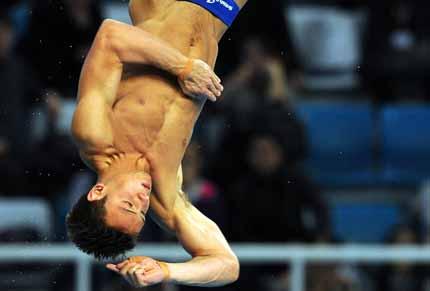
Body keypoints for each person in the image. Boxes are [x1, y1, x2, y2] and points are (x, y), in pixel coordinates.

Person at [66, 0, 247, 288]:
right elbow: (226, 264)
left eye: (128, 205)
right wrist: (167, 270)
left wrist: (183, 68)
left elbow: (111, 35)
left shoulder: (94, 134)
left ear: (97, 191)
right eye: (140, 213)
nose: (142, 202)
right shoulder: (165, 197)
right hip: (218, 12)